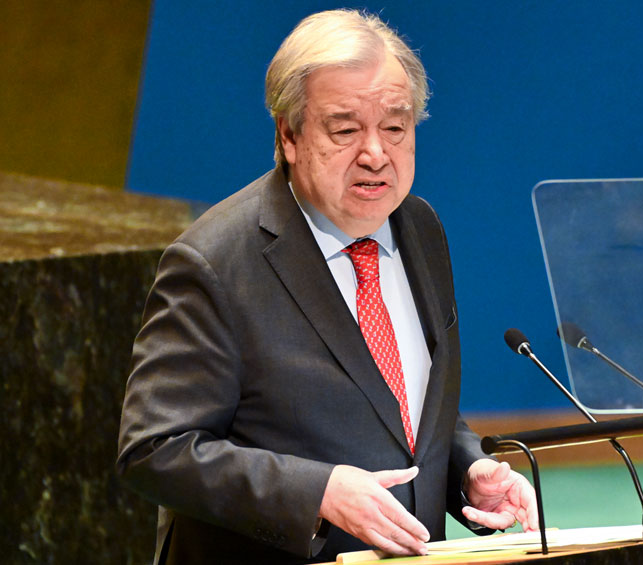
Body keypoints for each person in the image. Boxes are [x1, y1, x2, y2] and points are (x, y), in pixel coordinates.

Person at [116, 9, 537, 564]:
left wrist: (468, 470)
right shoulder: (214, 261)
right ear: (289, 135)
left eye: (395, 127)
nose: (376, 153)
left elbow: (404, 403)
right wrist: (316, 493)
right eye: (345, 130)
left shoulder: (421, 228)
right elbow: (154, 450)